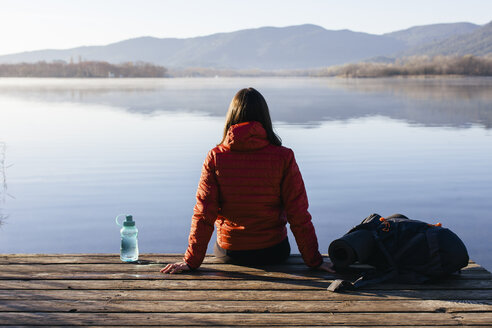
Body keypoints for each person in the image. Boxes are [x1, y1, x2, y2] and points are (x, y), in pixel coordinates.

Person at [161, 87, 334, 274]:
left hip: (230, 252)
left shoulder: (216, 157)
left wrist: (191, 261)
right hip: (274, 251)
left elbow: (204, 214)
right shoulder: (284, 157)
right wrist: (314, 260)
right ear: (265, 117)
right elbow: (298, 213)